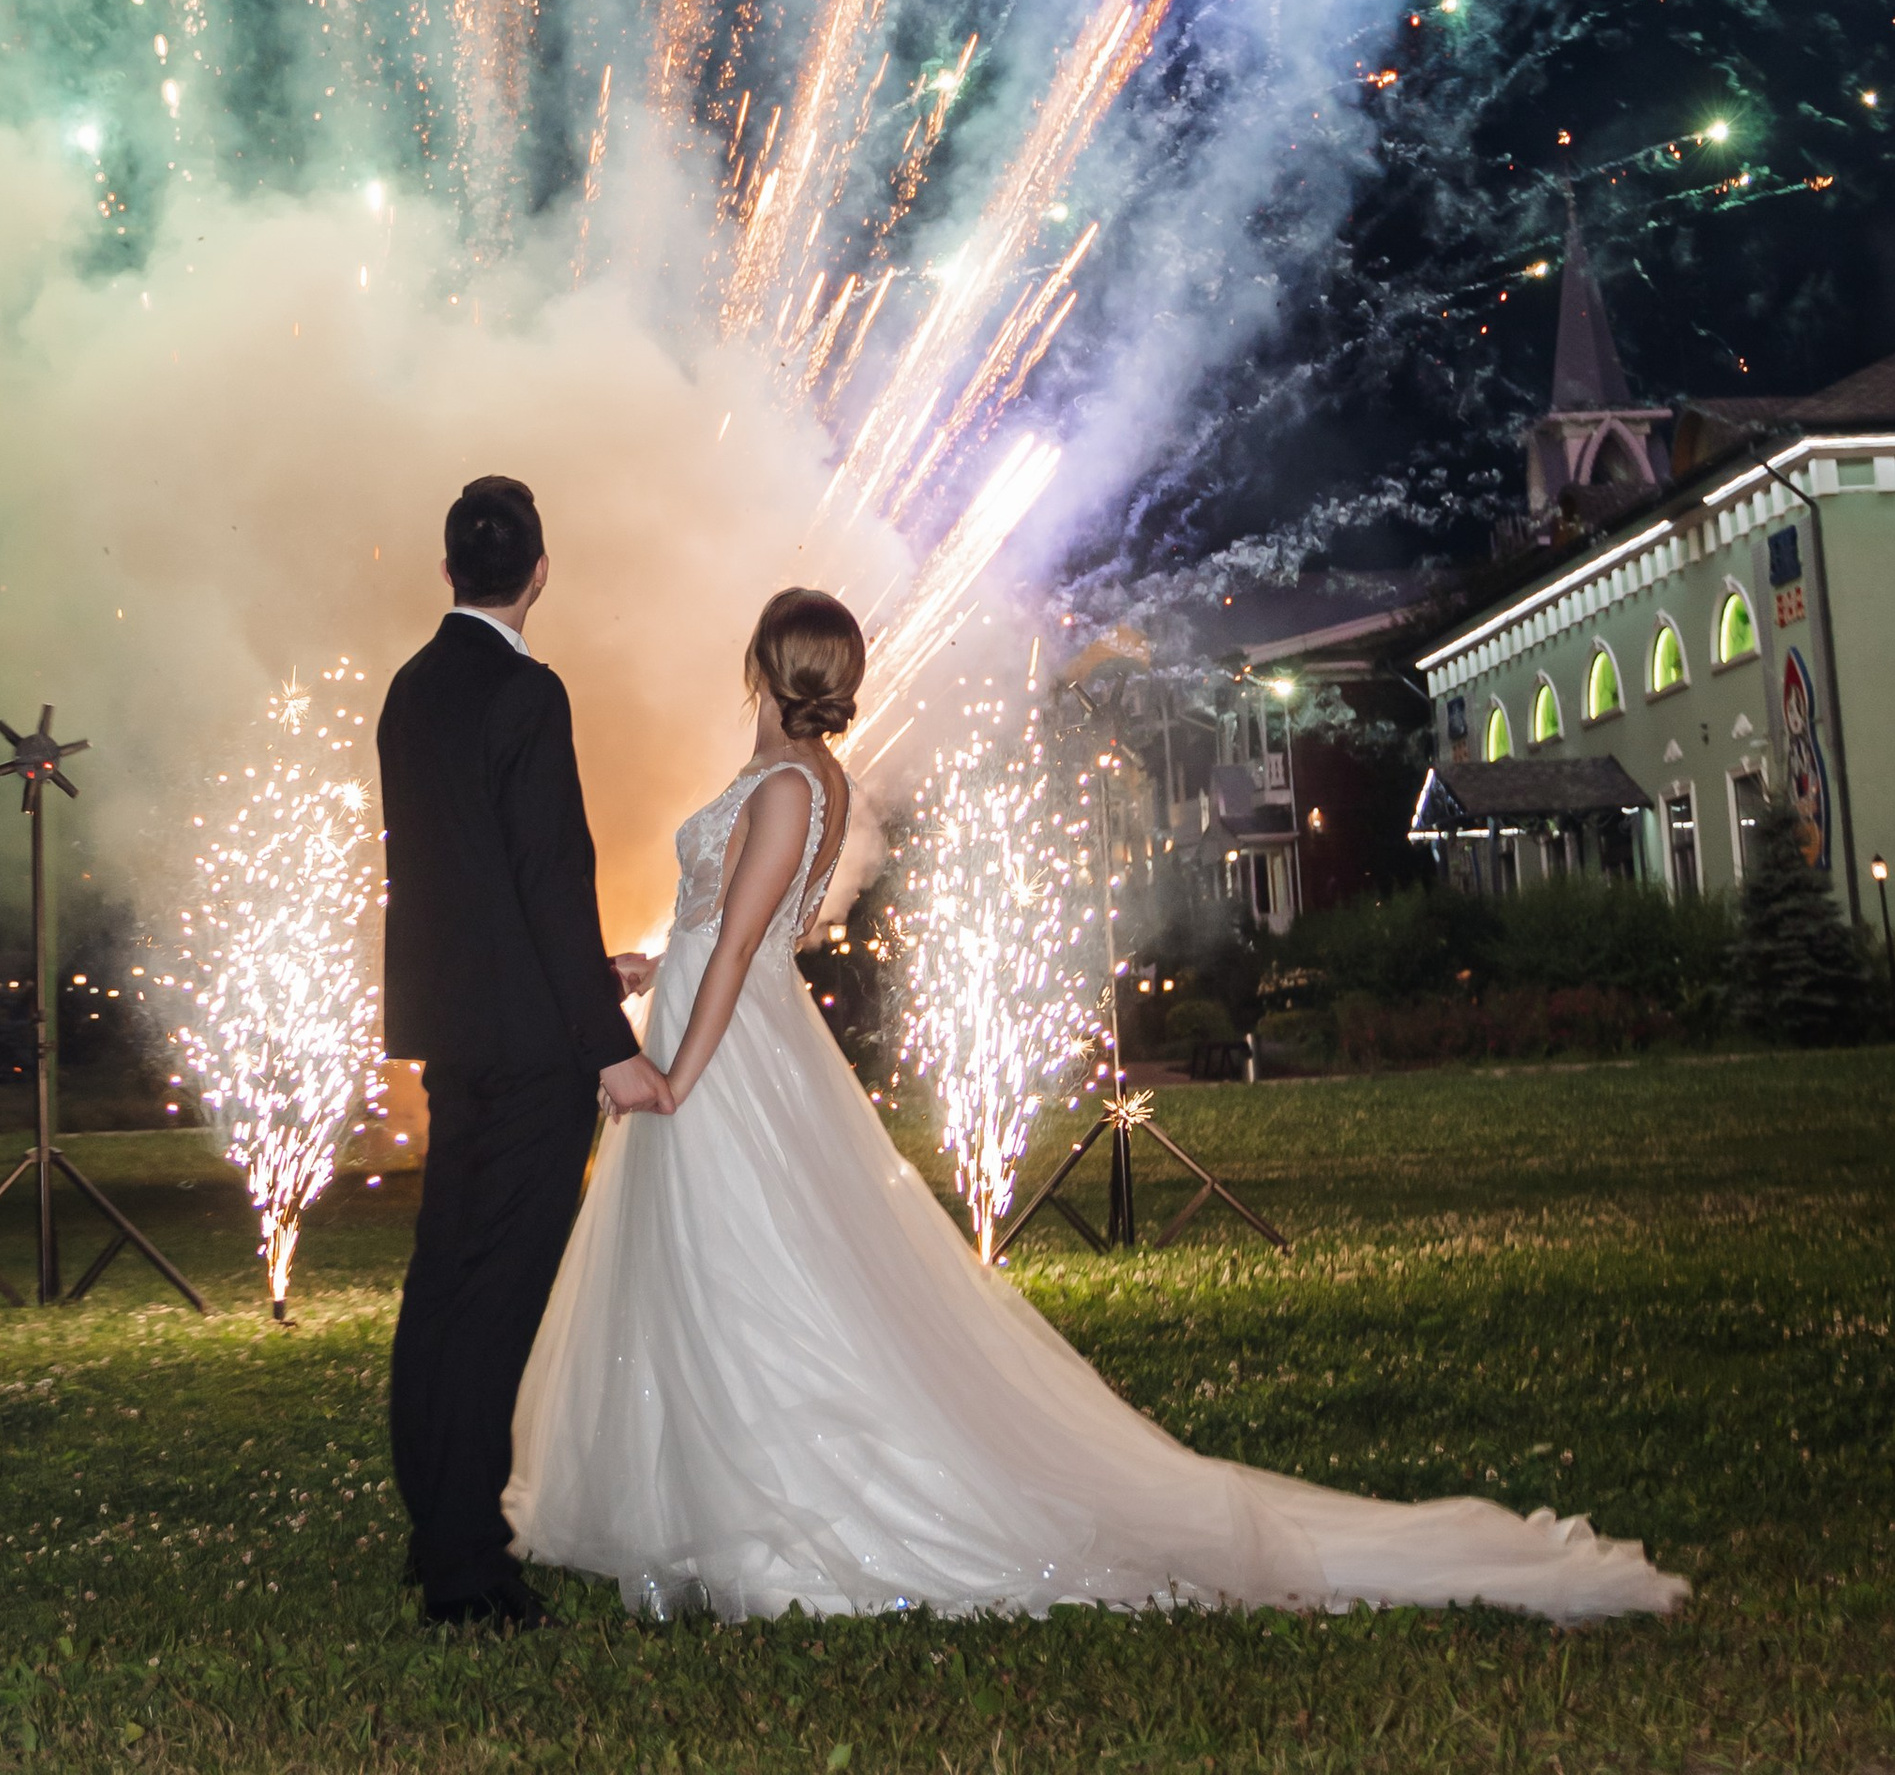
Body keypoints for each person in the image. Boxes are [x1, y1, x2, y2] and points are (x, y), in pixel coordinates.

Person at [510, 586, 1686, 1627]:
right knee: (709, 1266)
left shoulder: (783, 784)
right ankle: (689, 1489)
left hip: (725, 1057)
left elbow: (746, 953)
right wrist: (641, 968)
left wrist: (672, 1071)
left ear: (767, 669)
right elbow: (722, 933)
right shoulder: (808, 780)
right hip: (715, 1024)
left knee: (748, 1270)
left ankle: (772, 1503)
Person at [376, 475, 669, 1631]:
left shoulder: (410, 690)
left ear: (447, 570)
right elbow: (548, 877)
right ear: (538, 572)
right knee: (497, 1299)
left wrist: (579, 981)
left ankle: (433, 1526)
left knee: (443, 1283)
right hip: (532, 1052)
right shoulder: (528, 691)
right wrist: (607, 1048)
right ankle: (465, 1569)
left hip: (455, 1033)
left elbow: (467, 880)